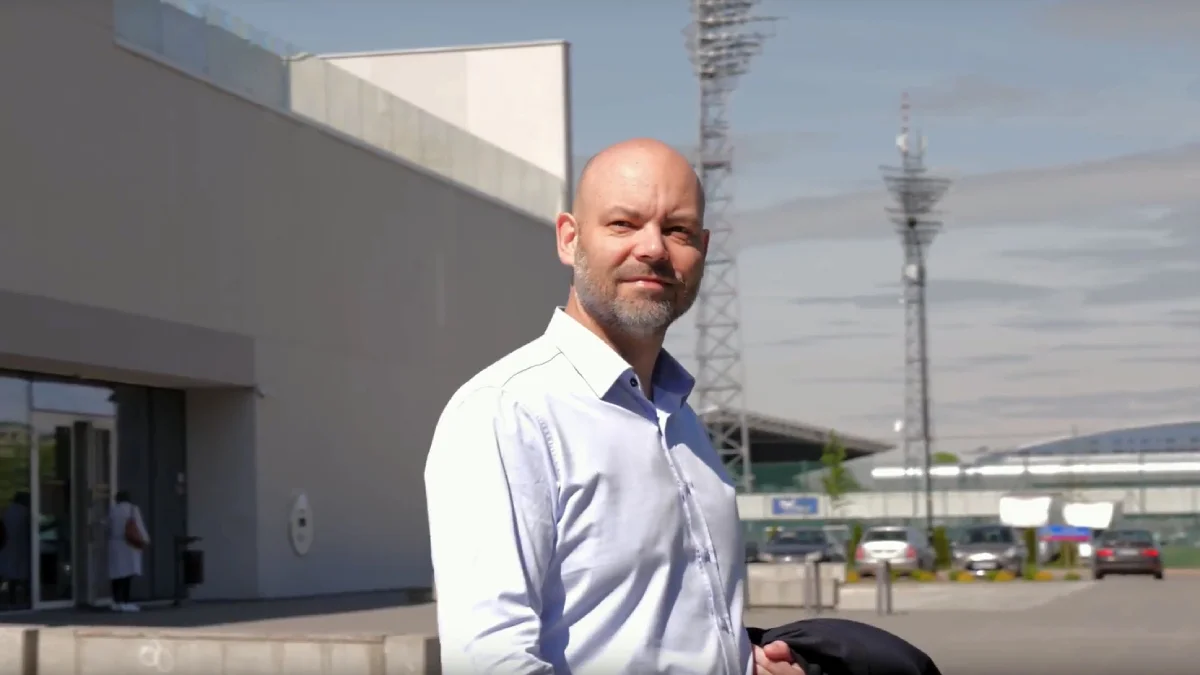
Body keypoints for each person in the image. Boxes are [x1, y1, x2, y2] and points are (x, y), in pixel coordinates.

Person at [425, 138, 802, 674]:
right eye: (624, 224)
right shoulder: (507, 413)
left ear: (702, 249)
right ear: (569, 238)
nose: (653, 249)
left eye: (678, 230)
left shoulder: (681, 422)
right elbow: (490, 661)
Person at [108, 489, 149, 612]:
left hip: (115, 543)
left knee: (116, 574)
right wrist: (145, 540)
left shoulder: (113, 510)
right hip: (129, 544)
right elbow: (139, 526)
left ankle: (115, 601)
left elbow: (108, 527)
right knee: (128, 574)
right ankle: (126, 601)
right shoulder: (133, 509)